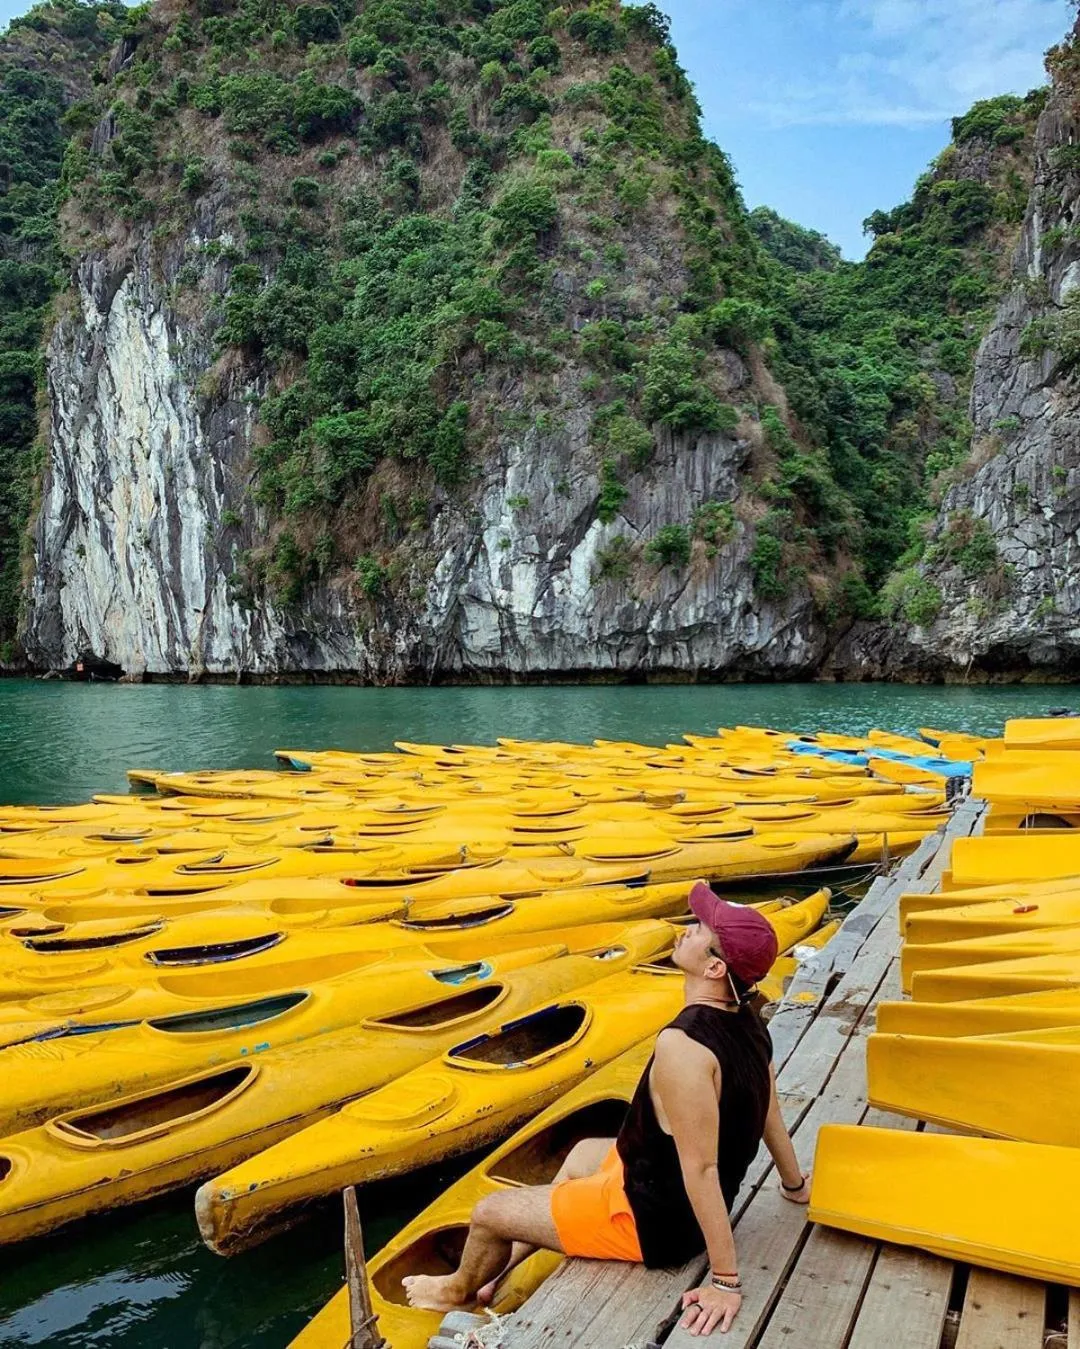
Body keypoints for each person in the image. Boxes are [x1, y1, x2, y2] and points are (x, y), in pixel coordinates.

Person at [403, 879, 811, 1337]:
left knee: (489, 1213)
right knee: (582, 1154)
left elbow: (701, 1169)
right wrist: (794, 1184)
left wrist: (725, 1280)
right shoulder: (749, 1020)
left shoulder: (684, 1046)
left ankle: (457, 1290)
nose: (688, 929)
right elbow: (770, 1111)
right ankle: (499, 1270)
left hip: (655, 1224)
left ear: (715, 967)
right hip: (657, 1184)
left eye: (700, 929)